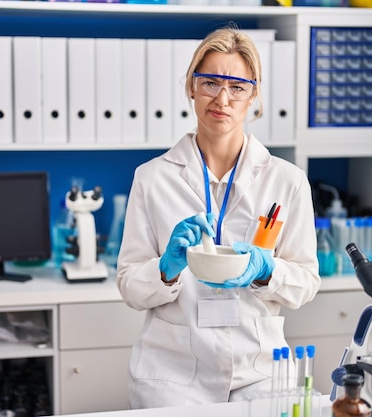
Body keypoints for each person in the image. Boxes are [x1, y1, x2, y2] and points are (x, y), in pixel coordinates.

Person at [116, 25, 320, 409]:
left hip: (258, 370)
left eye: (237, 87)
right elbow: (129, 285)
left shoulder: (287, 180)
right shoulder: (152, 178)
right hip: (172, 373)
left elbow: (306, 282)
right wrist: (165, 269)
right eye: (210, 82)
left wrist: (266, 269)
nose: (222, 99)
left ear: (253, 94)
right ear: (191, 87)